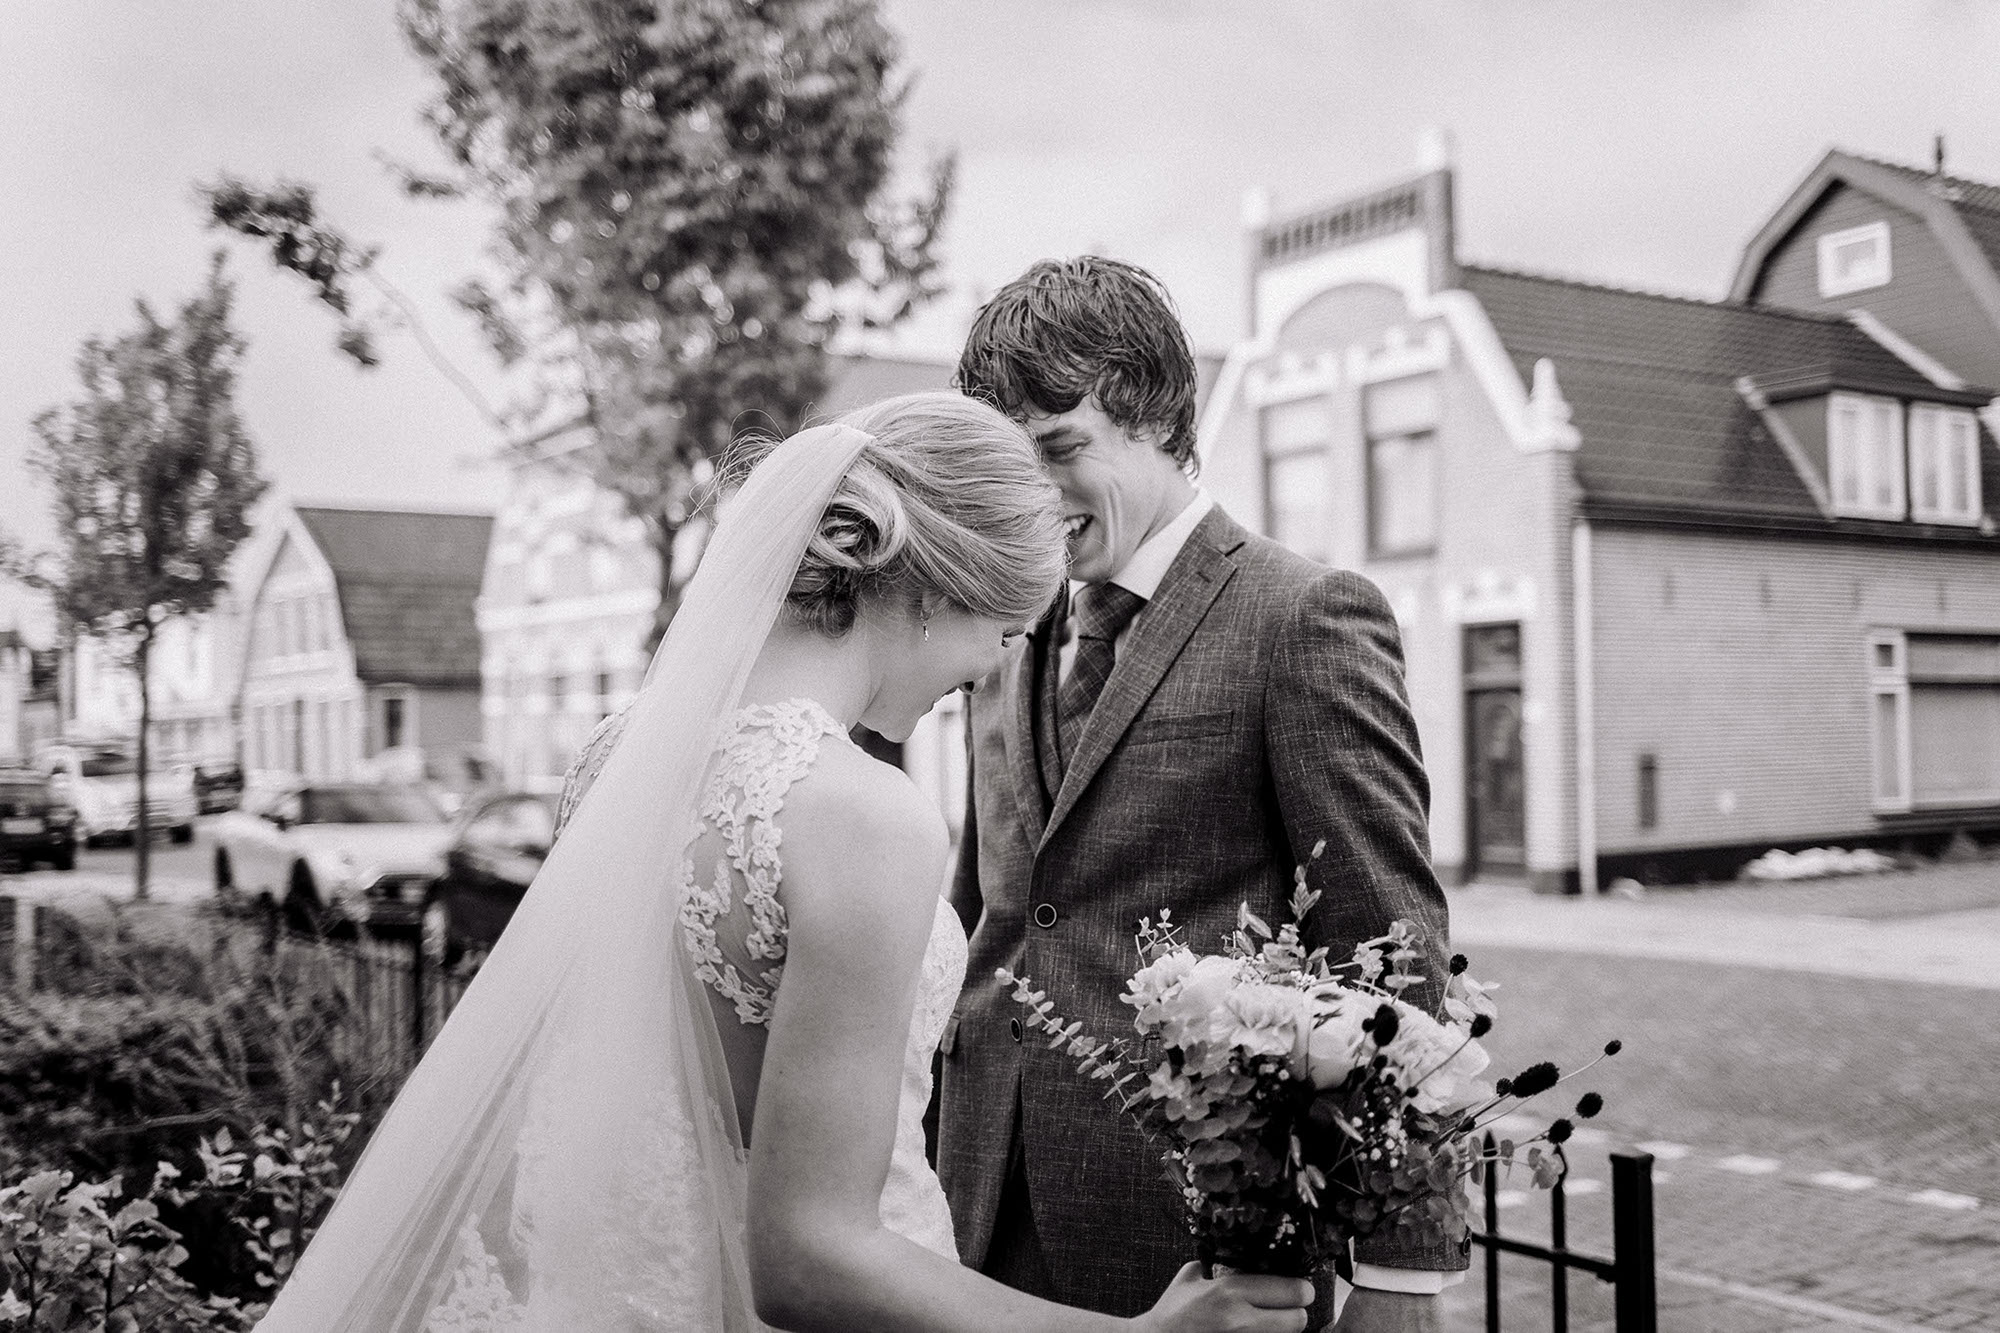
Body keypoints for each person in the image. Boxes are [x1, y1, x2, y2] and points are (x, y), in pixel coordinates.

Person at [254, 392, 1313, 1332]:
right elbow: (809, 1259)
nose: (996, 667)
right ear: (936, 590)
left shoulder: (616, 756)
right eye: (1005, 629)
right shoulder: (864, 816)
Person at [940, 259, 1466, 1332]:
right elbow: (983, 916)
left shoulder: (1305, 616)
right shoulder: (1000, 632)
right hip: (972, 1202)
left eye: (1059, 449)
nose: (1031, 497)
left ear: (1158, 419)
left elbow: (1393, 945)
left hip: (1200, 1243)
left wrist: (1403, 1275)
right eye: (1007, 461)